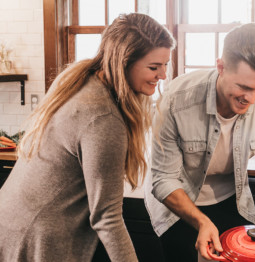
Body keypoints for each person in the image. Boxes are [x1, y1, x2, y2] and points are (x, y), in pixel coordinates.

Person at [0, 13, 175, 262]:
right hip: (36, 237)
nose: (163, 75)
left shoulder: (83, 80)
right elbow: (107, 217)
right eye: (154, 67)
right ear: (123, 62)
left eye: (165, 64)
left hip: (12, 221)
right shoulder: (103, 117)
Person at [144, 22, 255, 262]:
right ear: (221, 67)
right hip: (178, 204)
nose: (251, 99)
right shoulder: (176, 100)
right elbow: (164, 179)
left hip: (232, 199)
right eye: (243, 87)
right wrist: (202, 221)